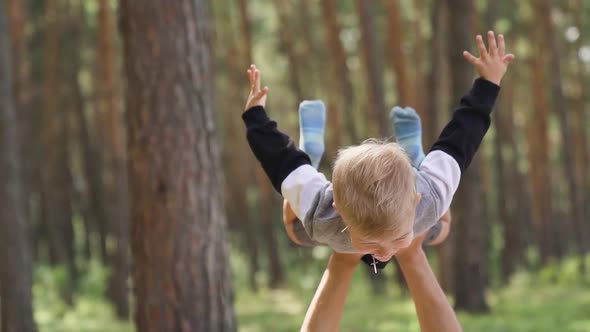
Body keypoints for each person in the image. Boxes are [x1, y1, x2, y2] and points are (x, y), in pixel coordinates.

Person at [242, 31, 514, 268]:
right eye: (370, 242)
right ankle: (408, 158)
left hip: (412, 199)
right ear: (339, 209)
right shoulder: (321, 210)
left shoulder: (428, 194)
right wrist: (254, 116)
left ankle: (311, 159)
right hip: (375, 213)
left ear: (415, 199)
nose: (385, 254)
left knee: (441, 223)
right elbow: (279, 159)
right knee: (296, 227)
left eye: (397, 238)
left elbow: (462, 138)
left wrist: (489, 82)